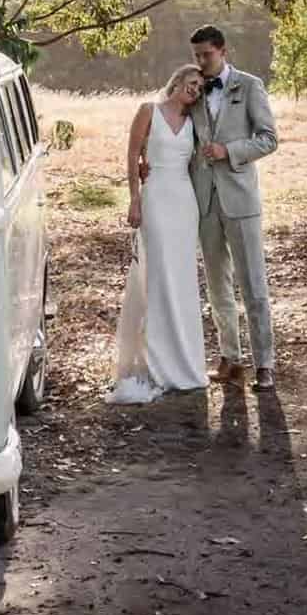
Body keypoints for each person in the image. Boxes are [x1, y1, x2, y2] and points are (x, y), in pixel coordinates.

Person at [106, 65, 209, 404]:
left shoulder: (196, 123)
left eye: (200, 87)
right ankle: (156, 361)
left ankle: (187, 362)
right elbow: (132, 155)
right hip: (155, 199)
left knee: (182, 281)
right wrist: (134, 197)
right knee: (158, 278)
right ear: (176, 81)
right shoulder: (148, 111)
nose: (195, 90)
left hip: (184, 202)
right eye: (191, 83)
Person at [187, 24, 279, 392]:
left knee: (253, 284)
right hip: (205, 201)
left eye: (205, 55)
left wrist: (230, 151)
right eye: (195, 56)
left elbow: (269, 139)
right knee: (217, 286)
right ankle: (230, 358)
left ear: (223, 51)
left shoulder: (249, 85)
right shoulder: (193, 89)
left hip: (240, 199)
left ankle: (265, 364)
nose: (200, 62)